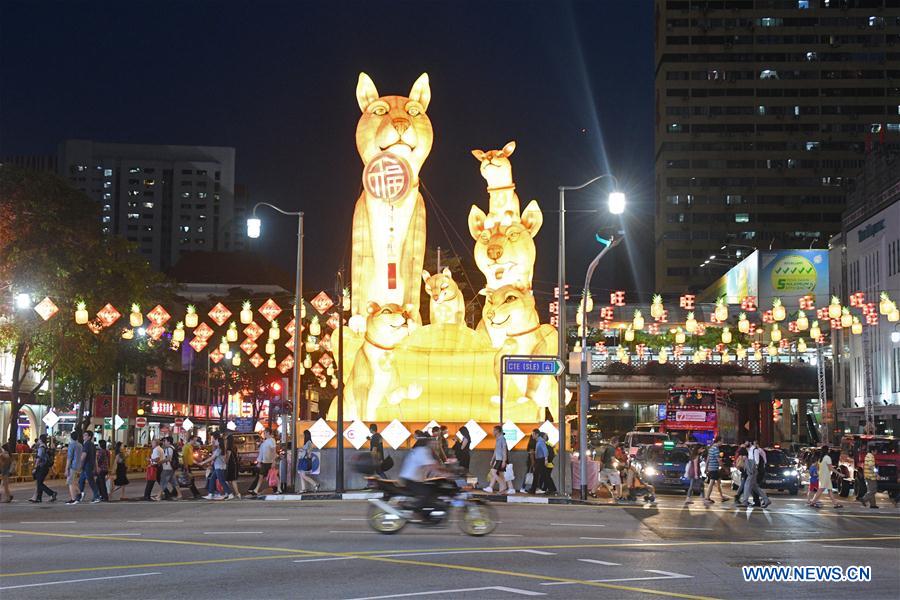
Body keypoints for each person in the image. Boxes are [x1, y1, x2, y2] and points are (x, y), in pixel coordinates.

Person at [399, 431, 442, 516]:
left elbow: (433, 465)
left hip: (415, 479)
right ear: (428, 442)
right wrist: (445, 474)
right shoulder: (422, 451)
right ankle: (416, 511)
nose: (436, 445)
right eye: (433, 442)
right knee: (426, 492)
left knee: (431, 488)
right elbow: (431, 466)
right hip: (410, 480)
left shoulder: (424, 450)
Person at [737, 441, 770, 508]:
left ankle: (745, 502)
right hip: (751, 471)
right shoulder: (748, 451)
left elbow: (755, 463)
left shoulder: (754, 451)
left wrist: (751, 471)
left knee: (747, 485)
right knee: (755, 488)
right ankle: (766, 500)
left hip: (752, 471)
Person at [809, 444, 843, 508]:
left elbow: (818, 467)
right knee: (821, 489)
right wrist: (839, 473)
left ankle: (835, 504)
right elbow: (831, 468)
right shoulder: (827, 458)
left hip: (823, 475)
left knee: (829, 490)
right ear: (827, 450)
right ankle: (813, 502)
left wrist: (818, 473)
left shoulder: (820, 458)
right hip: (826, 476)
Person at [29, 434, 57, 503]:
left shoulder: (41, 447)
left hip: (42, 467)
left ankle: (51, 493)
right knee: (39, 482)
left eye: (39, 439)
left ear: (40, 440)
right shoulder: (45, 447)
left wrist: (35, 467)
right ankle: (39, 498)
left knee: (39, 483)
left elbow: (39, 458)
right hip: (45, 467)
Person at [201, 435, 231, 500]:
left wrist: (203, 462)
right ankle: (211, 493)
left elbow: (212, 457)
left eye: (216, 441)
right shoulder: (222, 450)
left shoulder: (219, 450)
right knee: (212, 478)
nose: (215, 442)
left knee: (221, 481)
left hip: (219, 468)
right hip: (220, 467)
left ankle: (229, 493)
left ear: (219, 442)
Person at [249, 429, 276, 496]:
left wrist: (273, 460)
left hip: (269, 461)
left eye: (265, 433)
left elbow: (273, 451)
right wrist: (259, 461)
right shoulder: (264, 442)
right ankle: (277, 488)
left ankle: (256, 489)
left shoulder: (272, 440)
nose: (264, 434)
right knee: (268, 475)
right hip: (265, 461)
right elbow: (261, 453)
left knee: (267, 475)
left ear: (268, 433)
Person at [76, 430, 101, 504]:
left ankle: (97, 496)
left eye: (86, 435)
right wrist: (96, 466)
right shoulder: (92, 444)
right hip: (88, 466)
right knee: (81, 481)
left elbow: (84, 455)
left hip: (87, 465)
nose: (84, 436)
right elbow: (95, 457)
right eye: (84, 435)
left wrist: (79, 463)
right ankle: (79, 496)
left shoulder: (87, 444)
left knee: (91, 481)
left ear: (89, 437)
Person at [483, 425, 509, 494]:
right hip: (498, 459)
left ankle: (503, 486)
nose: (493, 432)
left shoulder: (502, 439)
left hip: (500, 459)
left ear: (497, 431)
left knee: (493, 472)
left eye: (494, 430)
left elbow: (504, 450)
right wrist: (492, 459)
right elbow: (496, 450)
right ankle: (502, 491)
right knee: (501, 475)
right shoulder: (498, 439)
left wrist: (504, 460)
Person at [704, 436, 729, 503]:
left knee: (718, 482)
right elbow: (719, 460)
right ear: (719, 441)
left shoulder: (711, 448)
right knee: (711, 483)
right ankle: (707, 498)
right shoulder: (716, 449)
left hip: (712, 468)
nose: (722, 443)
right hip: (714, 468)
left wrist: (706, 468)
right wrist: (724, 468)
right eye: (722, 441)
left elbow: (708, 459)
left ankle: (722, 496)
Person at [64, 431, 83, 504]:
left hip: (72, 465)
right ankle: (79, 494)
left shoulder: (71, 445)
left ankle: (73, 498)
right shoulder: (80, 445)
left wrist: (66, 468)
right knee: (73, 481)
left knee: (70, 482)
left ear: (71, 437)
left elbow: (69, 457)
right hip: (78, 465)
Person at [529, 430, 549, 495]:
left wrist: (546, 459)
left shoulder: (541, 441)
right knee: (543, 475)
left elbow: (545, 451)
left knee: (536, 474)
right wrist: (534, 452)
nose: (532, 435)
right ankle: (551, 489)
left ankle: (533, 489)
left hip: (541, 460)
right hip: (539, 460)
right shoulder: (538, 441)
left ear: (537, 434)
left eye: (533, 434)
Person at [224, 434, 241, 499]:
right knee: (231, 479)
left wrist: (225, 462)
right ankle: (233, 493)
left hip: (231, 465)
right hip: (235, 464)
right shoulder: (234, 447)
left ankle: (235, 493)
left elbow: (228, 458)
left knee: (230, 479)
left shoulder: (229, 448)